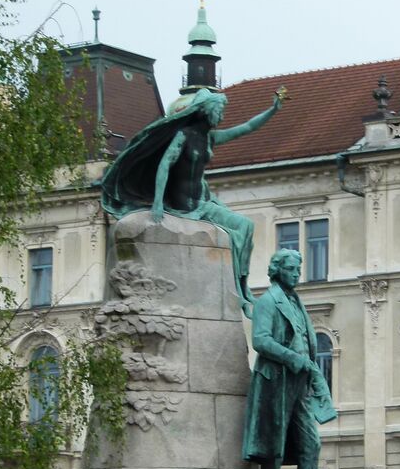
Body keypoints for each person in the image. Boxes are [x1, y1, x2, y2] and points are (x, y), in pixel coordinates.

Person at [100, 85, 284, 317]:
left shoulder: (209, 138)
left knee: (245, 227)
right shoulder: (183, 136)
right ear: (207, 110)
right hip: (183, 204)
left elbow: (246, 128)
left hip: (202, 202)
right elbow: (165, 165)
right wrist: (158, 202)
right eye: (220, 110)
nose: (222, 116)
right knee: (238, 228)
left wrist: (273, 110)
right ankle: (239, 287)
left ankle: (242, 286)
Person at [241, 249, 339, 469]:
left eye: (298, 268)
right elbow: (260, 340)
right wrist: (292, 357)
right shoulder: (268, 301)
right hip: (275, 380)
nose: (297, 273)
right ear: (277, 270)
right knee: (275, 443)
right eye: (291, 269)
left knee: (312, 442)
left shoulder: (296, 301)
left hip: (299, 382)